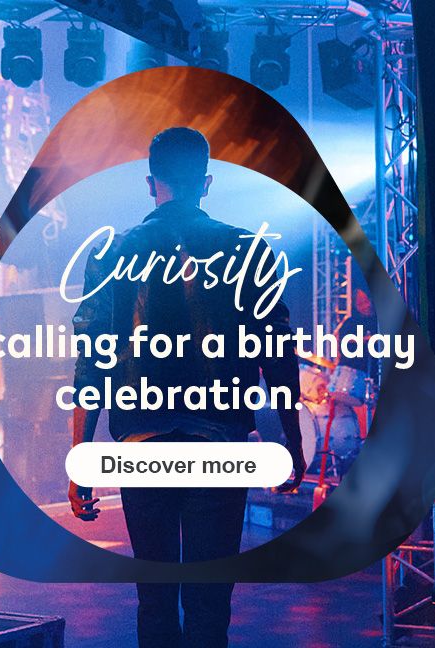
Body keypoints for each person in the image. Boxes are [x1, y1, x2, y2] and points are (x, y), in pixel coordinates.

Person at [67, 127, 306, 648]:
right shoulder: (248, 248)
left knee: (154, 596)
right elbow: (278, 354)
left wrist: (82, 454)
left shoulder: (112, 252)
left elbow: (92, 359)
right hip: (219, 439)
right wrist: (293, 439)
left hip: (141, 443)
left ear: (151, 183)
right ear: (208, 182)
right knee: (209, 597)